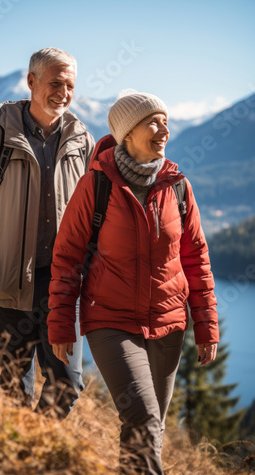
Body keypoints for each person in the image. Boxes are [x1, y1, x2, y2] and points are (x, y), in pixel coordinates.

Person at [47, 91, 219, 472]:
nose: (165, 130)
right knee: (141, 420)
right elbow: (68, 256)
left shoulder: (177, 186)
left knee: (149, 426)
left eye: (166, 121)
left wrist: (206, 325)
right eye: (153, 122)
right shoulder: (97, 185)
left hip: (168, 324)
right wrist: (61, 323)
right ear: (127, 132)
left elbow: (196, 259)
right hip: (110, 321)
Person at [0, 47, 95, 418]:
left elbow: (94, 217)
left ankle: (38, 444)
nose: (63, 92)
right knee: (11, 387)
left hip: (61, 286)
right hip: (7, 284)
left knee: (67, 383)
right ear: (31, 82)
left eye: (70, 85)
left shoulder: (82, 143)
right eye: (55, 82)